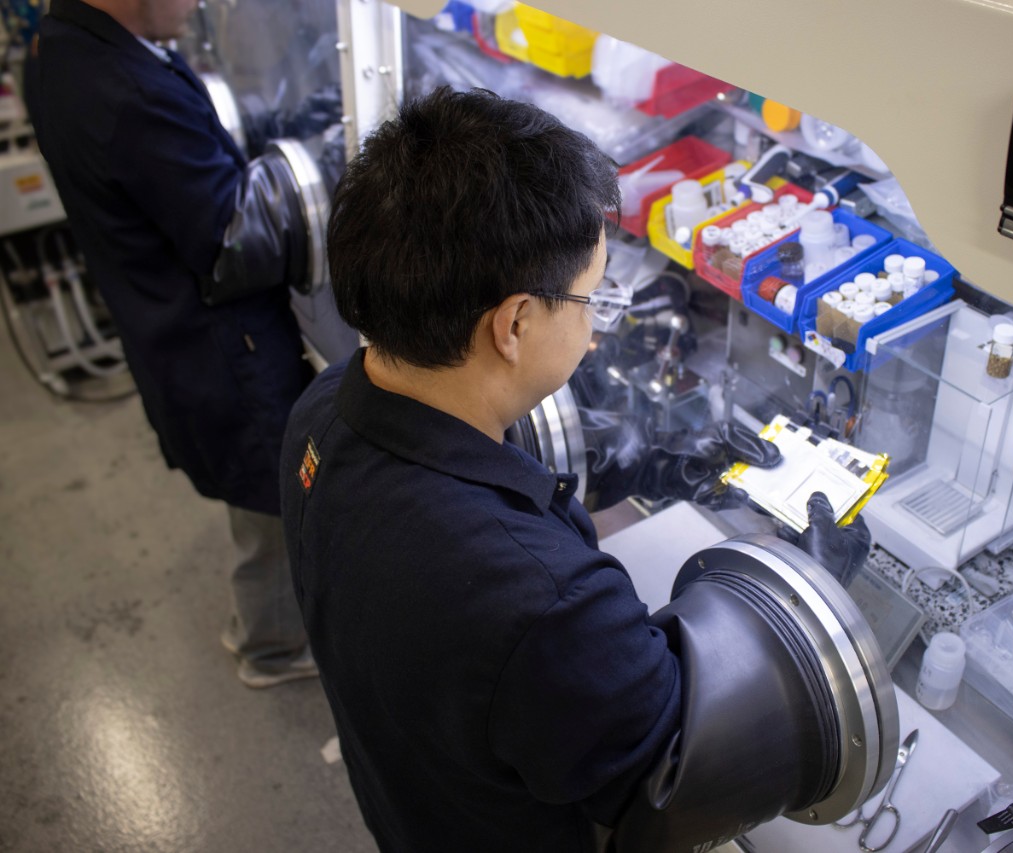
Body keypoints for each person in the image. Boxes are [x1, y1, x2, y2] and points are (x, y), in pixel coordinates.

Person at [282, 87, 868, 851]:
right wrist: (805, 590)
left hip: (412, 797)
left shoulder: (323, 407)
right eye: (591, 298)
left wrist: (634, 459)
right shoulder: (543, 605)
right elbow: (678, 779)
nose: (595, 330)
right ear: (515, 322)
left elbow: (461, 481)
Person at [31, 0, 328, 686]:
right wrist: (318, 170)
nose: (198, 3)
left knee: (254, 495)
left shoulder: (60, 47)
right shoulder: (127, 92)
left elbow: (168, 174)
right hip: (222, 344)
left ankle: (264, 621)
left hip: (166, 321)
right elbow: (231, 243)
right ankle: (272, 647)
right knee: (271, 494)